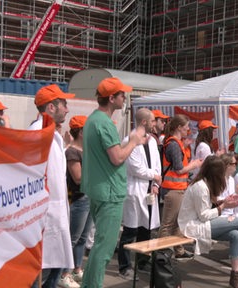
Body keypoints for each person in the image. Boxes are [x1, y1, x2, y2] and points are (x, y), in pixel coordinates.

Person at [81, 77, 147, 288]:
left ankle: (89, 284)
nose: (124, 97)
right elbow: (117, 157)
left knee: (100, 246)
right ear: (111, 98)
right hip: (109, 192)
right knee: (104, 248)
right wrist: (134, 142)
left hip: (100, 190)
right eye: (121, 94)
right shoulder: (104, 123)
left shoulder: (93, 120)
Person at [177, 155, 238, 288]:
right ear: (215, 172)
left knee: (237, 235)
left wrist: (223, 202)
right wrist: (223, 206)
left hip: (202, 222)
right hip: (193, 225)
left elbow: (206, 209)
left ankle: (235, 275)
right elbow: (203, 216)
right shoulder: (200, 187)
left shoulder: (205, 183)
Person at [29, 84, 75, 288]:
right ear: (51, 107)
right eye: (63, 104)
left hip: (56, 212)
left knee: (55, 266)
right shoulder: (37, 134)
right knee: (42, 271)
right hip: (45, 215)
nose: (67, 109)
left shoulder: (51, 133)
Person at [117, 108, 163, 279]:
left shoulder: (152, 141)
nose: (154, 124)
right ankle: (124, 266)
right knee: (130, 230)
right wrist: (154, 176)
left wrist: (156, 183)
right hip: (135, 190)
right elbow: (135, 168)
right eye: (152, 121)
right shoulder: (129, 140)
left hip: (150, 189)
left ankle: (143, 262)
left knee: (146, 229)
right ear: (144, 122)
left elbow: (157, 163)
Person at [158, 114, 203, 260]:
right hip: (173, 189)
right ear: (178, 127)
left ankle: (178, 249)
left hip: (178, 188)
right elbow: (179, 169)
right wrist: (194, 165)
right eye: (186, 127)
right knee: (168, 223)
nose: (188, 130)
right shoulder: (173, 144)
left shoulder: (175, 144)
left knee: (178, 221)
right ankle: (161, 253)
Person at [60, 115, 91, 288]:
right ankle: (64, 274)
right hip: (79, 198)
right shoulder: (72, 151)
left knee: (83, 238)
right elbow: (78, 178)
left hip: (88, 197)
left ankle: (77, 269)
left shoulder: (84, 150)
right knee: (73, 238)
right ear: (80, 131)